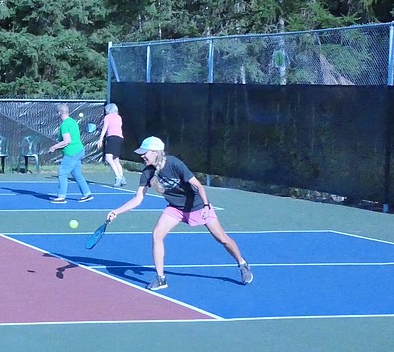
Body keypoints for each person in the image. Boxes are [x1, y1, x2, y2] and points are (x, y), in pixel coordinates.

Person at [106, 136, 252, 291]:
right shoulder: (147, 172)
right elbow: (138, 199)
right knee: (157, 234)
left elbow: (198, 186)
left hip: (197, 206)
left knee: (222, 239)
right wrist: (116, 211)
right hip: (175, 209)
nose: (142, 155)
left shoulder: (174, 163)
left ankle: (242, 264)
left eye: (145, 152)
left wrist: (207, 206)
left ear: (156, 152)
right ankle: (161, 278)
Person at [47, 103, 93, 203]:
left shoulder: (65, 124)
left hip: (72, 152)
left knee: (62, 173)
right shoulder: (73, 122)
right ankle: (87, 193)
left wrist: (54, 147)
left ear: (59, 112)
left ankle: (61, 196)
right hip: (79, 150)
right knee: (76, 174)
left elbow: (67, 141)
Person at [96, 102, 126, 187]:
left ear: (108, 110)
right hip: (120, 138)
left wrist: (100, 139)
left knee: (108, 158)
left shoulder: (107, 117)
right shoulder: (119, 117)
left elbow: (105, 128)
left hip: (112, 138)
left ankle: (118, 177)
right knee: (116, 159)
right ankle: (122, 177)